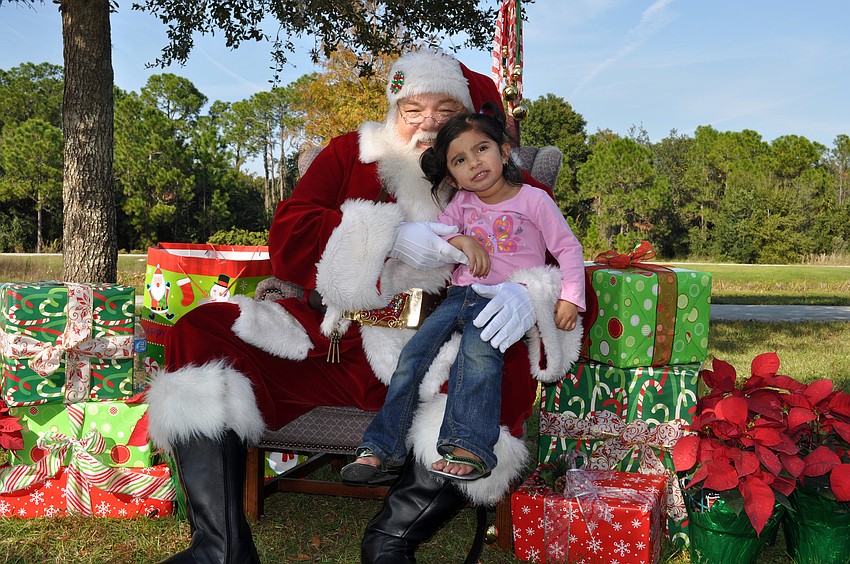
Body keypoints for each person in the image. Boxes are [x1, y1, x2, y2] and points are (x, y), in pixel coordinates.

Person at [144, 49, 584, 564]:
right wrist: (388, 238)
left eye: (444, 111)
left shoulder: (501, 180)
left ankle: (392, 539)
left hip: (443, 348)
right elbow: (288, 234)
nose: (427, 124)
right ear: (394, 111)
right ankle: (219, 548)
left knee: (497, 364)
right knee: (201, 331)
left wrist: (529, 294)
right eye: (412, 111)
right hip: (335, 342)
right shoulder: (348, 155)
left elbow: (571, 267)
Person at [341, 107, 584, 486]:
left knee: (478, 355)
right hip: (459, 296)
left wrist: (570, 298)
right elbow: (435, 234)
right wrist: (460, 239)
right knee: (412, 357)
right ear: (452, 174)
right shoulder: (462, 204)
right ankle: (381, 447)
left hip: (503, 302)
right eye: (459, 160)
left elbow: (568, 249)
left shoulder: (533, 200)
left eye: (481, 150)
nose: (474, 163)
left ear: (504, 152)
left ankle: (471, 446)